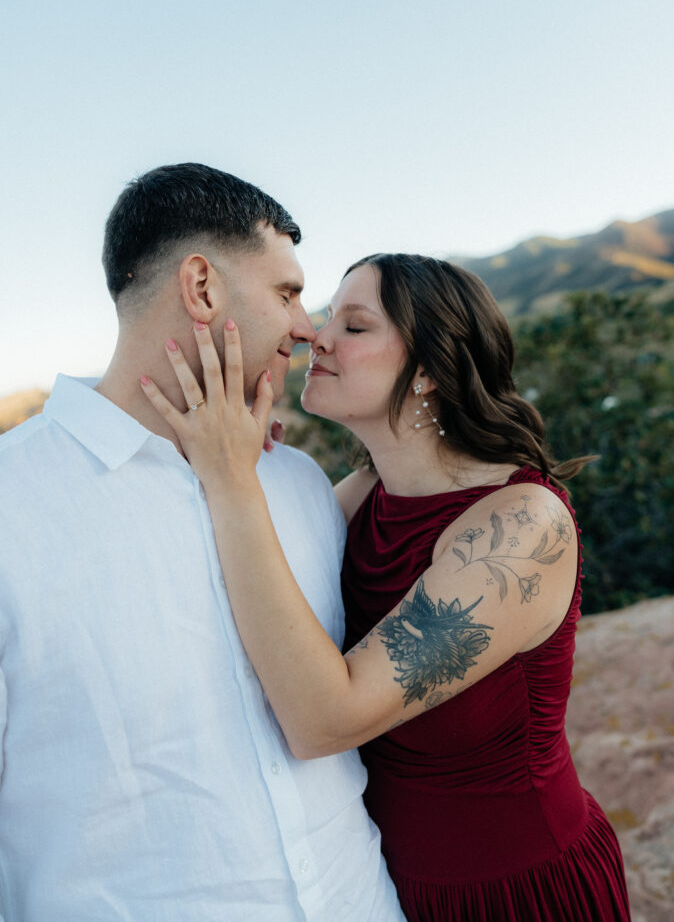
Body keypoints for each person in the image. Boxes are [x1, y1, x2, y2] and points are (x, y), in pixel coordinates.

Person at [142, 251, 632, 921]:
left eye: (354, 325)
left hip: (518, 892)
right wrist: (256, 471)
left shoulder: (521, 525)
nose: (317, 336)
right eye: (328, 319)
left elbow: (324, 721)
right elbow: (256, 599)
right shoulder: (359, 497)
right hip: (385, 889)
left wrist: (232, 481)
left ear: (428, 368)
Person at [0, 165, 405, 921]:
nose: (307, 328)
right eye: (286, 293)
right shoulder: (12, 508)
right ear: (201, 287)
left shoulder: (299, 484)